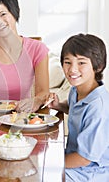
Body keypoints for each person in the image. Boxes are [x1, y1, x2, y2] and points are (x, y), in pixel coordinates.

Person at [48, 34, 109, 181]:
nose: (72, 69)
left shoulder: (98, 107)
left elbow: (84, 159)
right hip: (74, 158)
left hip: (89, 172)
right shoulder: (77, 90)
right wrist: (58, 105)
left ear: (98, 66)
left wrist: (49, 164)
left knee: (38, 174)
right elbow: (75, 110)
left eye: (81, 63)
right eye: (67, 62)